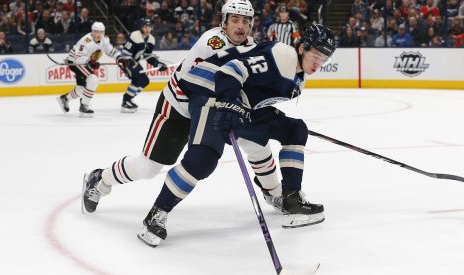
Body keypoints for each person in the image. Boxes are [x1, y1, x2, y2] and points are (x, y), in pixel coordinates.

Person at [81, 0, 286, 221]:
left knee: (257, 143)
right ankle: (100, 180)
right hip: (179, 107)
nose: (241, 26)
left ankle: (275, 194)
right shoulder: (214, 41)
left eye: (246, 21)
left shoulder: (249, 46)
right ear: (223, 22)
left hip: (210, 109)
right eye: (235, 20)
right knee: (148, 167)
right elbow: (222, 80)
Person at [134, 23, 336, 247]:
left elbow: (253, 92)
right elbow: (231, 70)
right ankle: (157, 213)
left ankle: (291, 199)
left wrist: (243, 109)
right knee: (203, 159)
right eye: (316, 54)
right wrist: (229, 101)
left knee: (294, 130)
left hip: (237, 101)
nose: (319, 62)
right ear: (302, 48)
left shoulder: (297, 77)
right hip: (210, 92)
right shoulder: (283, 56)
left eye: (324, 58)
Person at [56, 22, 126, 117]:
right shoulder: (85, 41)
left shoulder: (104, 39)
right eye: (96, 32)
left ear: (103, 32)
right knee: (93, 79)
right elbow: (78, 57)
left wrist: (119, 57)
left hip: (85, 63)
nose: (98, 34)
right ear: (92, 32)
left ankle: (64, 98)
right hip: (76, 63)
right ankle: (84, 106)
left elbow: (110, 50)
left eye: (100, 32)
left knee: (82, 88)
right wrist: (90, 62)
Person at [118, 18, 168, 113]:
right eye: (145, 27)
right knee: (138, 79)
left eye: (149, 27)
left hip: (133, 61)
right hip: (125, 61)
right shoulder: (135, 35)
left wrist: (157, 63)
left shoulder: (151, 39)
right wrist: (134, 65)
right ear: (141, 27)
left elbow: (147, 55)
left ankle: (129, 97)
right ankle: (126, 100)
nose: (147, 29)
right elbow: (125, 53)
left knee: (145, 81)